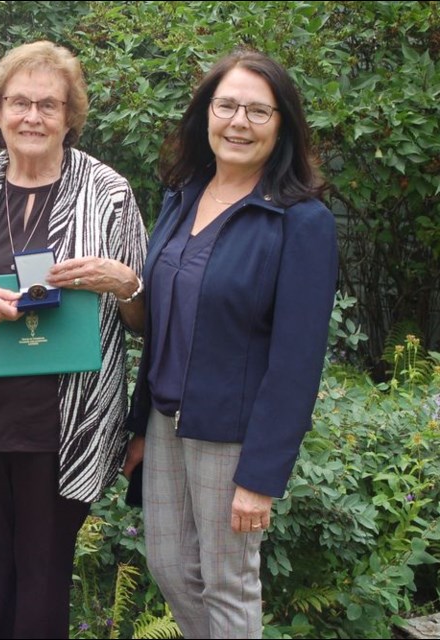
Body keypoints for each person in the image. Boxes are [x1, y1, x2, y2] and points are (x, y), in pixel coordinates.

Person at [0, 40, 147, 638]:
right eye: (18, 102)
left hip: (67, 424)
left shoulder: (108, 192)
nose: (32, 116)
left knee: (42, 585)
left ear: (70, 116)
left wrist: (124, 283)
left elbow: (146, 320)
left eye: (48, 104)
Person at [122, 49, 338, 638]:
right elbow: (163, 326)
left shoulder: (300, 221)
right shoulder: (181, 198)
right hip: (167, 423)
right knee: (168, 568)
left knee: (228, 581)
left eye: (258, 111)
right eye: (227, 106)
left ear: (283, 125)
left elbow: (298, 362)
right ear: (206, 114)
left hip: (232, 437)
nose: (239, 122)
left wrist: (261, 477)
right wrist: (140, 426)